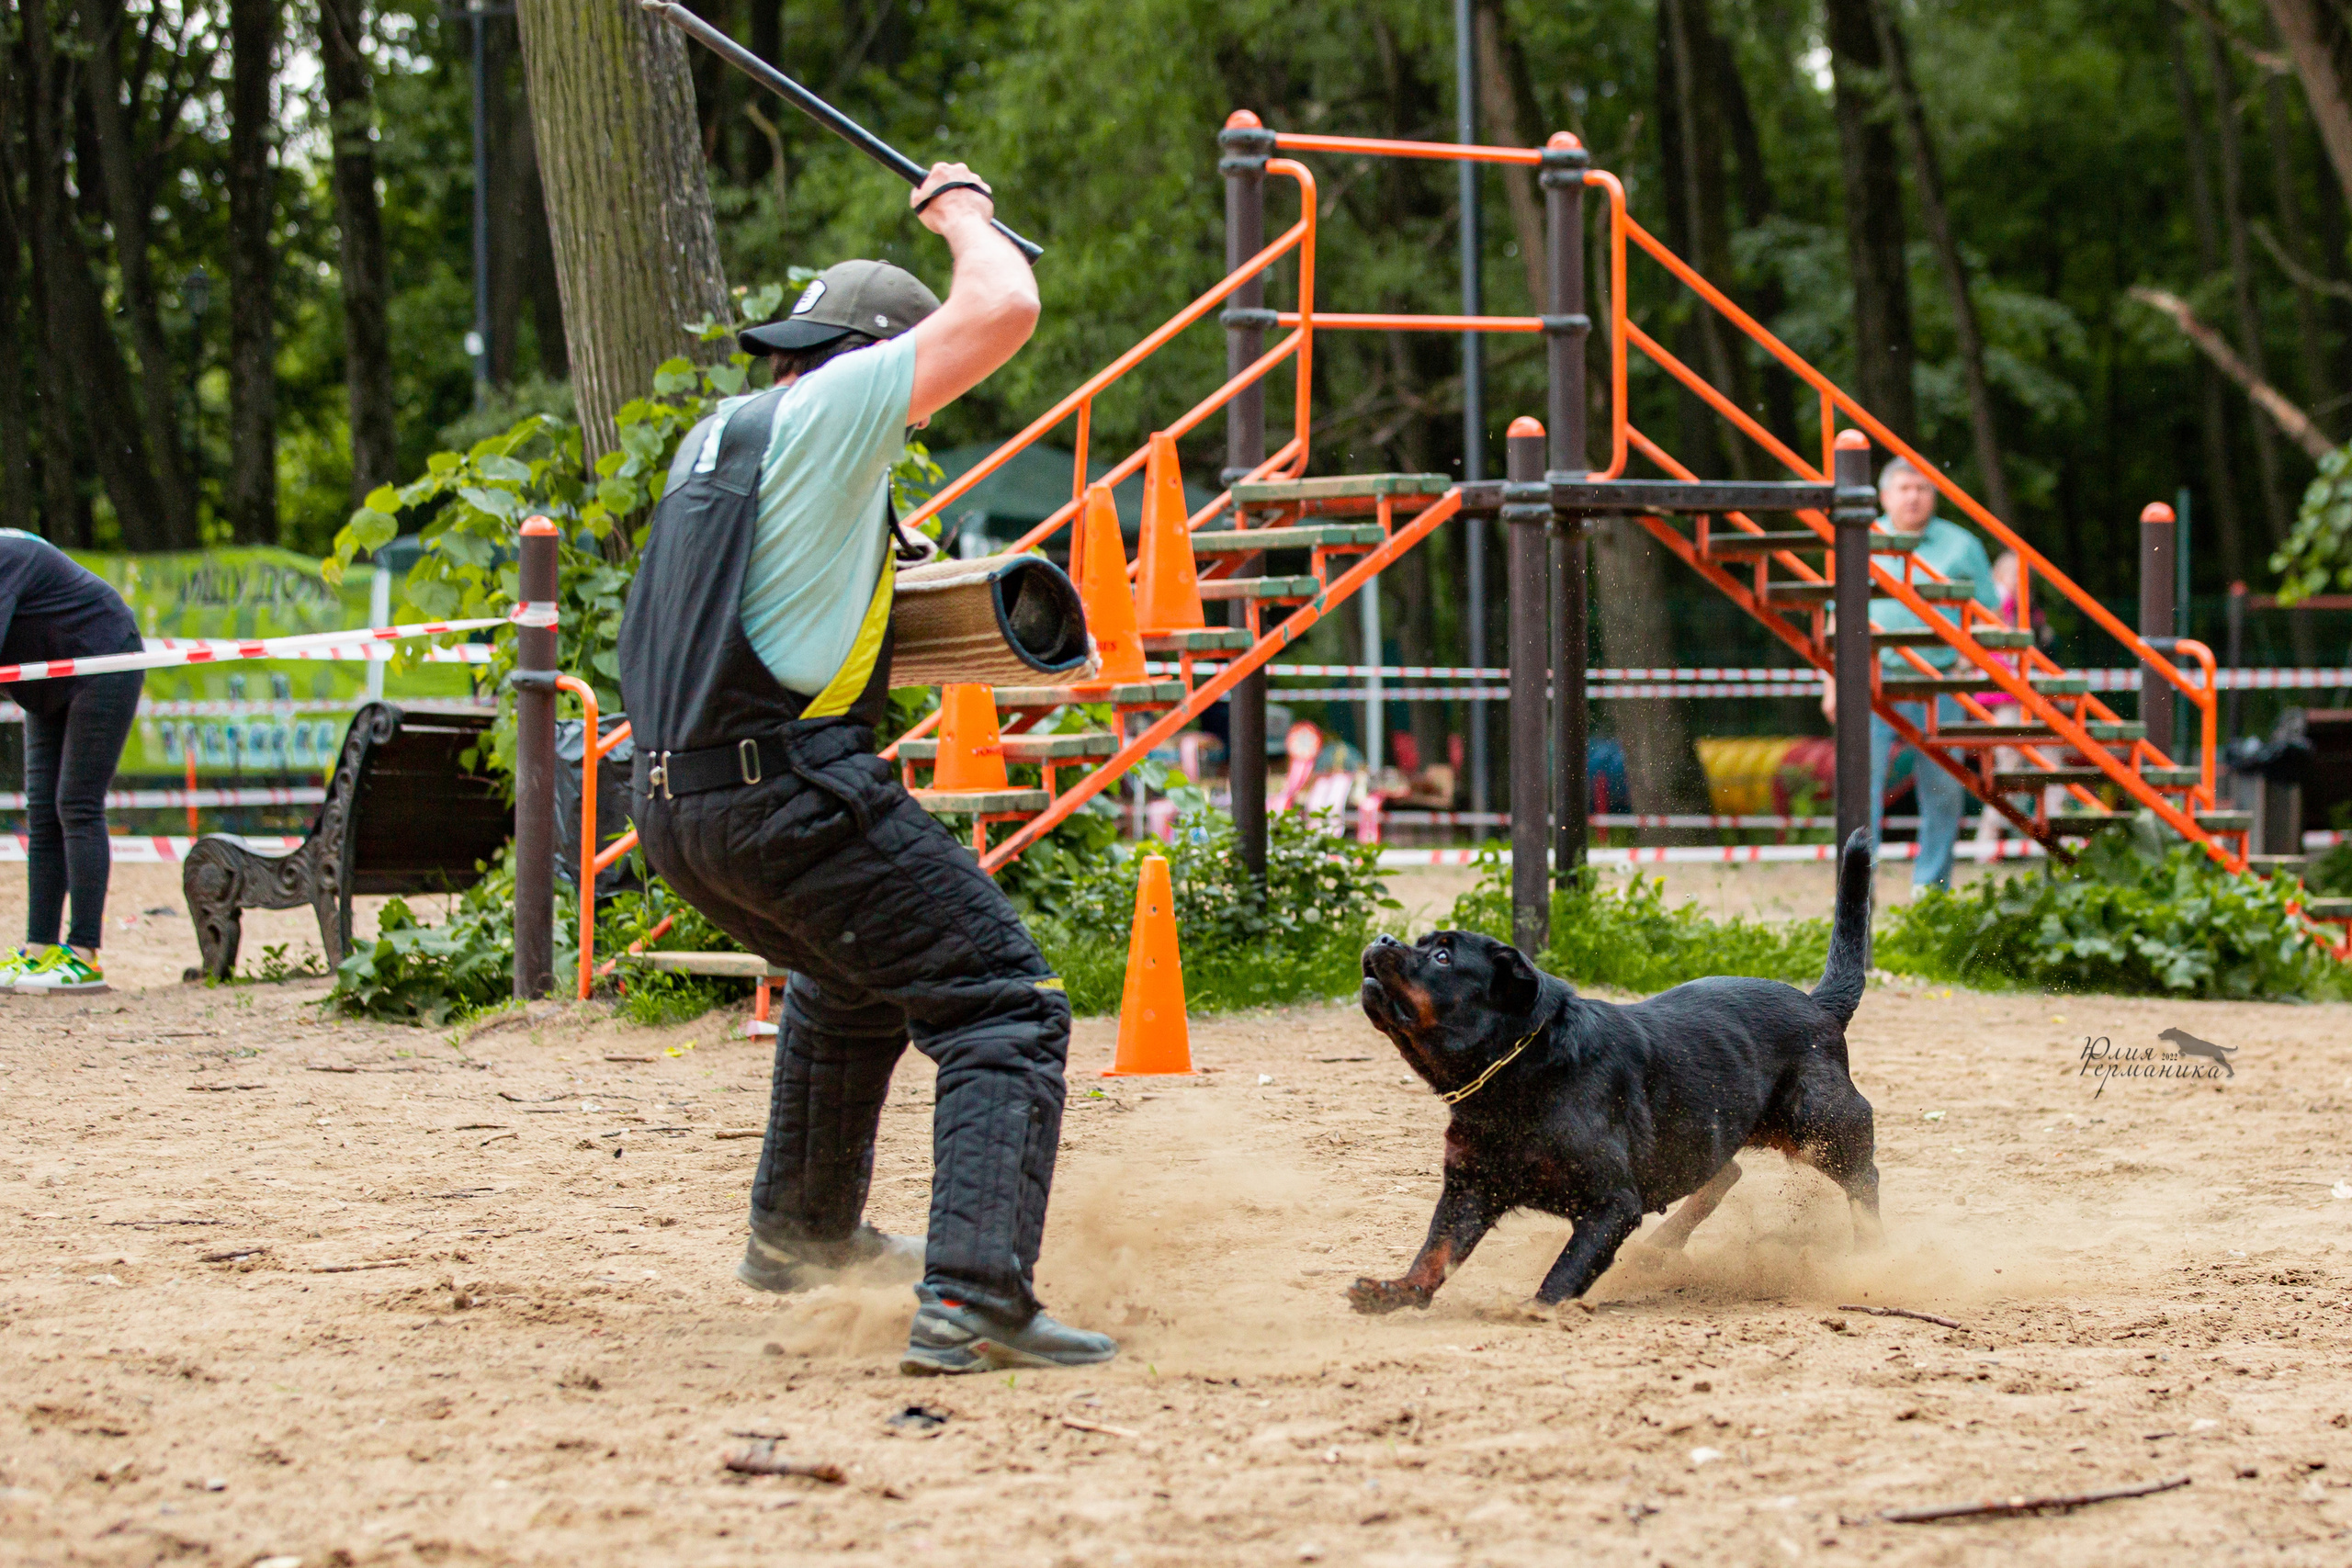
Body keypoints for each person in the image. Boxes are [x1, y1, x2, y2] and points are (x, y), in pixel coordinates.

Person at [616, 164, 1114, 1377]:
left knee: (851, 980)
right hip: (785, 792)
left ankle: (802, 1234)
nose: (917, 416)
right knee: (1001, 998)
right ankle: (972, 1298)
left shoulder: (722, 444)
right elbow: (1002, 306)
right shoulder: (842, 405)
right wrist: (962, 212)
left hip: (680, 805)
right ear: (874, 358)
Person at [1821, 457, 2000, 891]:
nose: (1913, 497)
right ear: (1884, 497)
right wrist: (1831, 683)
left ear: (1934, 496)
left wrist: (1970, 664)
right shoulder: (1859, 540)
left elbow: (1990, 616)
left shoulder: (1962, 546)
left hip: (1942, 682)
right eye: (1904, 488)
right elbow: (1835, 617)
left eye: (1922, 488)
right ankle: (1858, 890)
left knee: (1943, 791)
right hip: (1871, 681)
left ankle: (1931, 892)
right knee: (1860, 789)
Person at [0, 530, 144, 992]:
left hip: (105, 658)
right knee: (42, 811)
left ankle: (84, 954)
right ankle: (39, 950)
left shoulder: (5, 556)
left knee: (76, 805)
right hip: (49, 677)